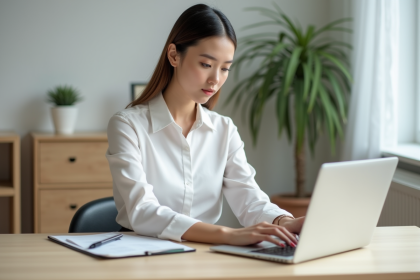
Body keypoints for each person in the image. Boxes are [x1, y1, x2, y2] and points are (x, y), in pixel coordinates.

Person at [106, 3, 304, 248]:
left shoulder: (224, 130)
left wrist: (284, 221)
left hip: (203, 254)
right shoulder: (127, 125)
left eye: (225, 69)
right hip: (140, 252)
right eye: (206, 65)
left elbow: (249, 198)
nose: (216, 79)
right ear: (174, 55)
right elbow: (143, 210)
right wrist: (228, 235)